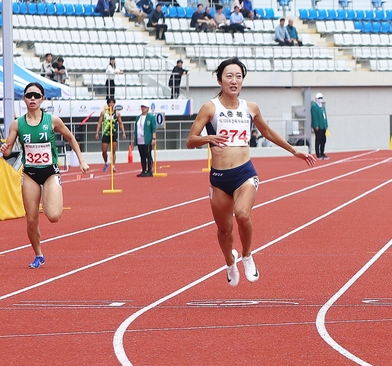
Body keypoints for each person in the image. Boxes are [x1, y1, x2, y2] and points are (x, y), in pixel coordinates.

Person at [186, 58, 318, 286]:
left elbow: (267, 132)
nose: (234, 80)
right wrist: (209, 137)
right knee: (224, 230)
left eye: (238, 76)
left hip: (244, 174)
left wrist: (294, 150)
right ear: (220, 80)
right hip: (218, 179)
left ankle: (247, 255)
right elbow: (190, 140)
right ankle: (230, 261)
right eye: (229, 76)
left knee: (243, 214)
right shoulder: (210, 108)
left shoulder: (250, 107)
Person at [0, 82, 89, 269]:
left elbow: (71, 138)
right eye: (29, 95)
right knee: (31, 219)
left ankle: (51, 197)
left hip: (50, 172)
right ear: (24, 98)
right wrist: (4, 150)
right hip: (30, 173)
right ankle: (38, 254)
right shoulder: (17, 124)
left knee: (54, 216)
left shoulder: (52, 120)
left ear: (42, 99)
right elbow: (7, 153)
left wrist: (81, 160)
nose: (32, 99)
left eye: (36, 96)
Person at [96, 97, 123, 173]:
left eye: (112, 103)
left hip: (114, 133)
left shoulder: (117, 113)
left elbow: (120, 123)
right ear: (107, 104)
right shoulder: (103, 113)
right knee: (104, 151)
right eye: (109, 103)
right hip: (106, 133)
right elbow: (100, 122)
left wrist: (123, 132)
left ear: (114, 104)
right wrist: (97, 132)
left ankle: (113, 165)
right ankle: (106, 162)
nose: (111, 104)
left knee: (113, 151)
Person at [134, 102, 157, 177]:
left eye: (144, 107)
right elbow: (135, 129)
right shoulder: (138, 118)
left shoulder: (151, 117)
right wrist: (133, 139)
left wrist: (153, 138)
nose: (143, 108)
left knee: (148, 154)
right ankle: (144, 170)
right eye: (142, 107)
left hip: (147, 139)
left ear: (147, 109)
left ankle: (150, 170)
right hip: (139, 139)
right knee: (142, 155)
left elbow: (153, 128)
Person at [310, 92, 328, 159]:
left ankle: (322, 152)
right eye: (319, 98)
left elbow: (325, 116)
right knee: (318, 139)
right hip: (318, 126)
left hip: (323, 126)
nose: (320, 99)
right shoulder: (314, 107)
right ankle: (318, 154)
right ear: (316, 99)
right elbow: (314, 116)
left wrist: (326, 124)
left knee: (323, 139)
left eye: (321, 98)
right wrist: (316, 125)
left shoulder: (323, 106)